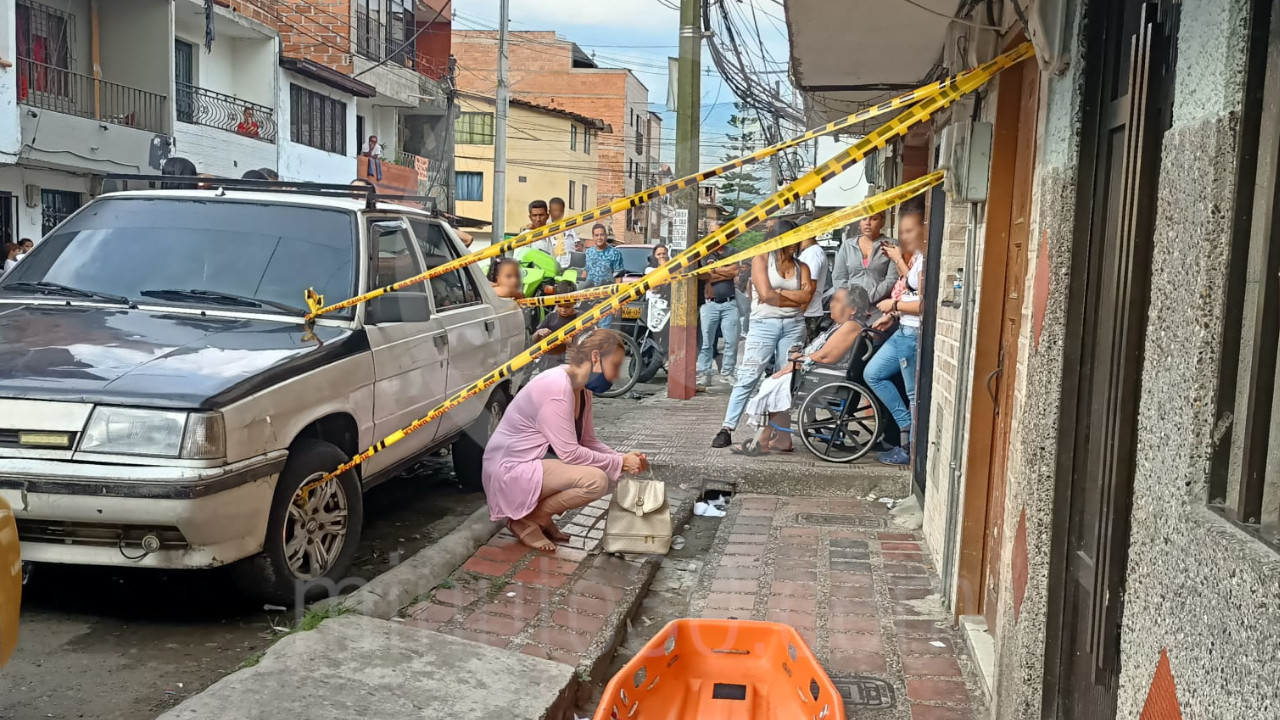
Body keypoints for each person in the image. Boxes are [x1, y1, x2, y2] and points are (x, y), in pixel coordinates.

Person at [482, 329, 648, 551]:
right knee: (596, 480)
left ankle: (537, 516)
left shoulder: (583, 389)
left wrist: (623, 459)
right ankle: (529, 519)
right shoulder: (557, 386)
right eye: (615, 366)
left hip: (534, 462)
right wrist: (620, 462)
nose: (617, 375)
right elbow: (570, 453)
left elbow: (588, 441)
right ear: (596, 358)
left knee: (613, 474)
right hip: (509, 469)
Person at [711, 220, 814, 449]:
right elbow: (766, 295)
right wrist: (790, 296)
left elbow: (807, 297)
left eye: (796, 239)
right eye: (790, 239)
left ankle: (779, 435)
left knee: (785, 379)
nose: (794, 244)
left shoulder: (802, 267)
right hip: (763, 325)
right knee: (749, 375)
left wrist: (780, 293)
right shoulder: (762, 260)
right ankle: (727, 427)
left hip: (793, 325)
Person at [730, 287, 867, 455]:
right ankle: (781, 439)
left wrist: (799, 361)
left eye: (837, 301)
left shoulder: (851, 326)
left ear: (853, 309)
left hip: (829, 376)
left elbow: (827, 356)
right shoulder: (840, 325)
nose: (831, 304)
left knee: (777, 385)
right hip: (821, 372)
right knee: (775, 382)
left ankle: (763, 441)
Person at [865, 205, 926, 467]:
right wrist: (893, 314)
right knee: (873, 373)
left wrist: (895, 305)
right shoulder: (919, 257)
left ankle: (908, 447)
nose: (905, 237)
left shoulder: (927, 259)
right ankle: (905, 425)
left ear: (925, 228)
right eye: (902, 231)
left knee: (913, 394)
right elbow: (913, 291)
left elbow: (924, 303)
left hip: (912, 334)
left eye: (910, 230)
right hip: (903, 328)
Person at [830, 211, 899, 309]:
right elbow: (838, 277)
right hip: (850, 307)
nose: (868, 223)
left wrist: (868, 298)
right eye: (864, 219)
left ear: (882, 221)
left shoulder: (891, 245)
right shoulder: (848, 245)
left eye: (874, 219)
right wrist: (851, 299)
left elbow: (892, 278)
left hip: (880, 307)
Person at [697, 243, 741, 386]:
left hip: (730, 303)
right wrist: (725, 272)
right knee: (706, 342)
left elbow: (734, 271)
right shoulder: (704, 253)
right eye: (712, 233)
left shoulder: (732, 250)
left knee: (732, 341)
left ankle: (728, 372)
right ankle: (705, 373)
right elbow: (702, 275)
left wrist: (714, 270)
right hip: (709, 304)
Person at [584, 223, 624, 327]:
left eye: (602, 235)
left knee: (603, 330)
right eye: (596, 235)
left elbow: (618, 279)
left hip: (606, 297)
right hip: (589, 297)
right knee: (587, 329)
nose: (599, 237)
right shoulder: (588, 253)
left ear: (606, 236)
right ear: (593, 237)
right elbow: (585, 274)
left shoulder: (615, 253)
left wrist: (617, 301)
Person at [533, 281, 580, 368]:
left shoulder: (582, 318)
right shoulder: (551, 317)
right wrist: (539, 333)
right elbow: (534, 339)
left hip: (571, 364)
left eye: (567, 307)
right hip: (549, 364)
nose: (563, 310)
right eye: (560, 306)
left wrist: (555, 338)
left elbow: (588, 341)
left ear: (575, 302)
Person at [798, 234, 829, 343]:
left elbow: (810, 286)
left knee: (804, 348)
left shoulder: (813, 253)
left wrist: (799, 312)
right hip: (806, 313)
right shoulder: (809, 252)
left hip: (808, 314)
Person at [547, 197, 578, 261]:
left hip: (567, 262)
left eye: (560, 211)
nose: (558, 213)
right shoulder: (545, 226)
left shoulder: (569, 226)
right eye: (555, 211)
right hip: (551, 261)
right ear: (549, 212)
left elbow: (577, 244)